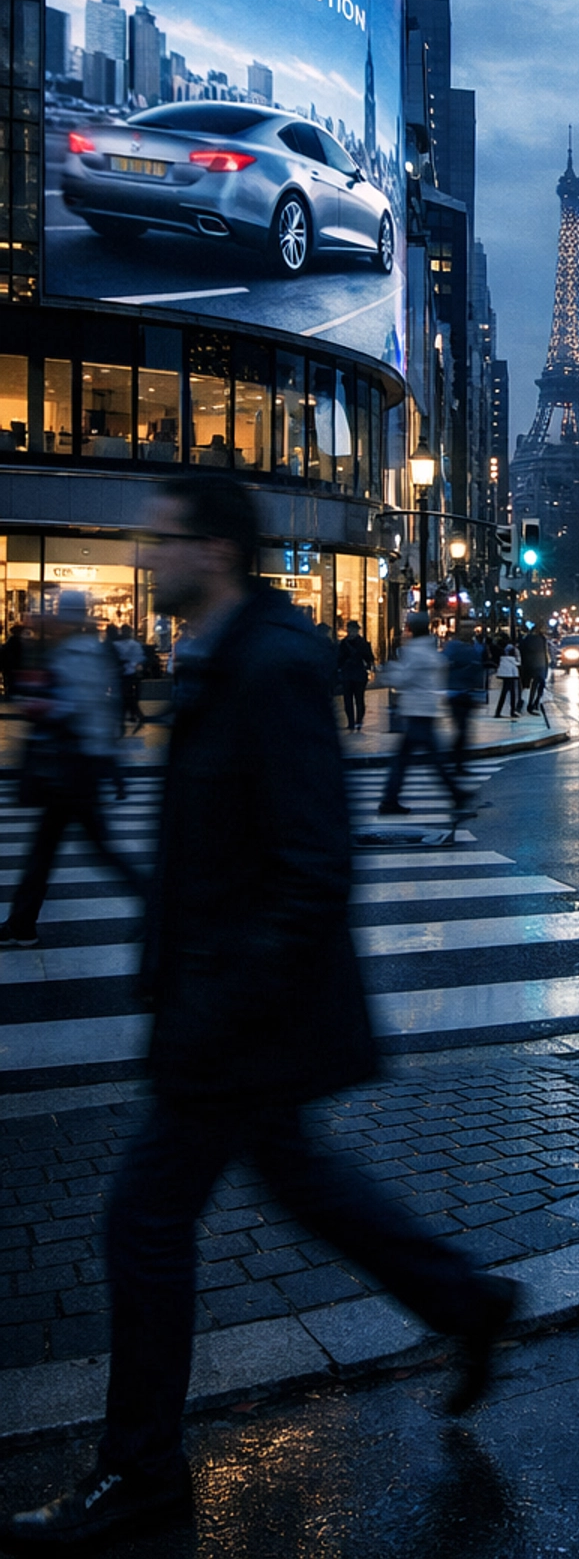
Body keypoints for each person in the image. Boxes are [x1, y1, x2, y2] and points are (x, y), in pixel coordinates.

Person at [3, 476, 519, 1551]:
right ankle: (466, 1304)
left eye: (165, 542)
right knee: (303, 1181)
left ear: (218, 553)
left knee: (143, 1224)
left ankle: (140, 1470)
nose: (149, 561)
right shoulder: (227, 657)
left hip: (239, 1014)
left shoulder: (272, 666)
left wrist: (218, 999)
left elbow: (311, 863)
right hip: (235, 1003)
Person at [0, 591, 143, 951]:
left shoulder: (77, 653)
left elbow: (75, 707)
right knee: (49, 848)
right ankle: (21, 924)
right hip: (80, 765)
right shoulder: (84, 649)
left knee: (90, 848)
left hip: (75, 767)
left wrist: (39, 702)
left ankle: (158, 904)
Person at [376, 613, 460, 817]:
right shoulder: (431, 649)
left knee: (409, 760)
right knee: (428, 758)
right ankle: (455, 794)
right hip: (426, 710)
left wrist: (387, 670)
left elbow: (403, 678)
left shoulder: (414, 651)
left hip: (416, 711)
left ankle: (390, 799)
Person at [444, 625, 484, 786]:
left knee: (461, 730)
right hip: (461, 692)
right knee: (462, 730)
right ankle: (455, 762)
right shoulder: (467, 650)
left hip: (455, 692)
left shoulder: (452, 649)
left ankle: (457, 762)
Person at [335, 618, 374, 733]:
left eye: (354, 629)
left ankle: (358, 721)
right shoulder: (345, 643)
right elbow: (339, 659)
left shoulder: (361, 643)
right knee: (349, 700)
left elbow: (369, 658)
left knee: (358, 699)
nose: (352, 632)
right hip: (351, 674)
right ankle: (352, 722)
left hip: (357, 674)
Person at [519, 621, 550, 719]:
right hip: (539, 665)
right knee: (538, 685)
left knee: (534, 686)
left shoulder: (528, 639)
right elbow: (545, 653)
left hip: (532, 665)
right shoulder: (541, 639)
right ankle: (533, 703)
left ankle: (531, 704)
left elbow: (522, 651)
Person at [493, 632, 523, 718]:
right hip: (512, 672)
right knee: (512, 693)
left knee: (505, 692)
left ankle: (498, 711)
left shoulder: (501, 650)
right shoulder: (514, 650)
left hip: (504, 672)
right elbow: (518, 661)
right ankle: (512, 711)